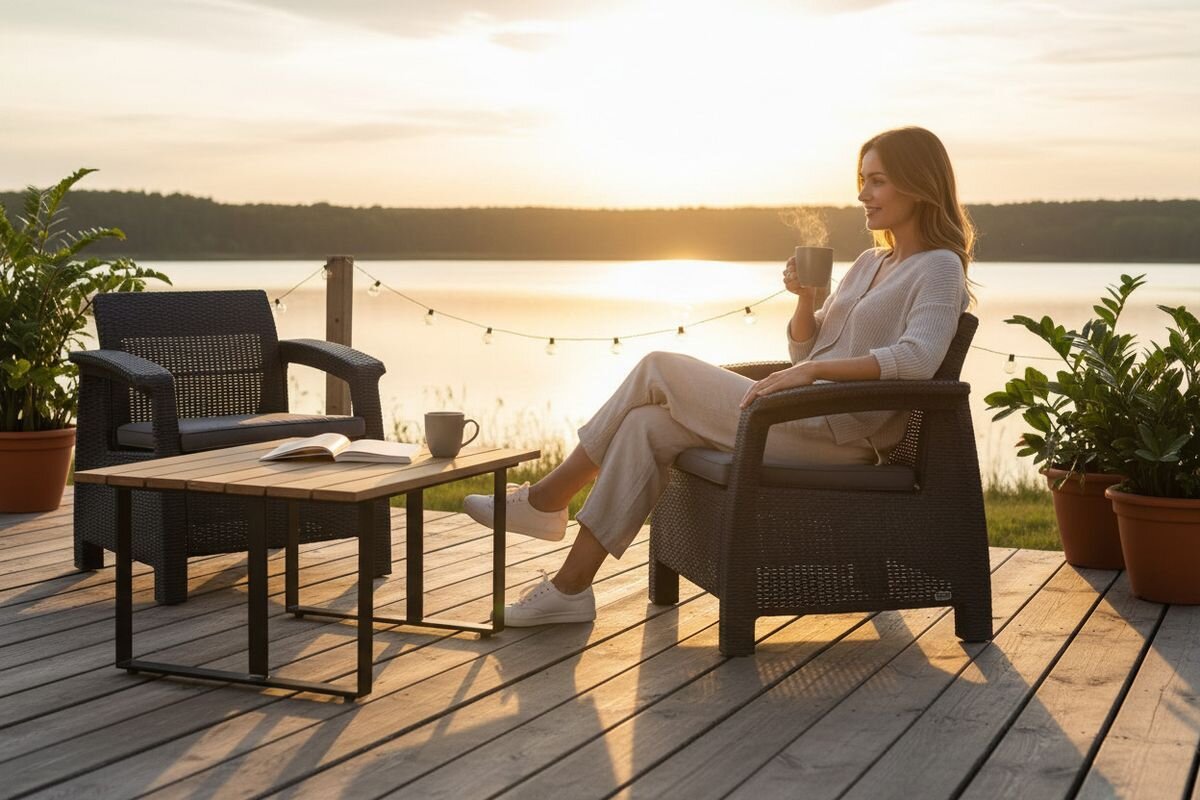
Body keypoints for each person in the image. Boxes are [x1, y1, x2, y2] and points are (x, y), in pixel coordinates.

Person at [464, 126, 975, 626]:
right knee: (646, 426)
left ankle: (546, 500)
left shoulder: (939, 267)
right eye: (862, 180)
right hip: (803, 419)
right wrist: (806, 303)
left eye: (878, 180)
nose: (863, 194)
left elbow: (918, 359)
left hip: (842, 437)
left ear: (919, 183)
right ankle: (569, 591)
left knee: (657, 366)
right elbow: (804, 349)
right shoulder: (869, 263)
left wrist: (816, 371)